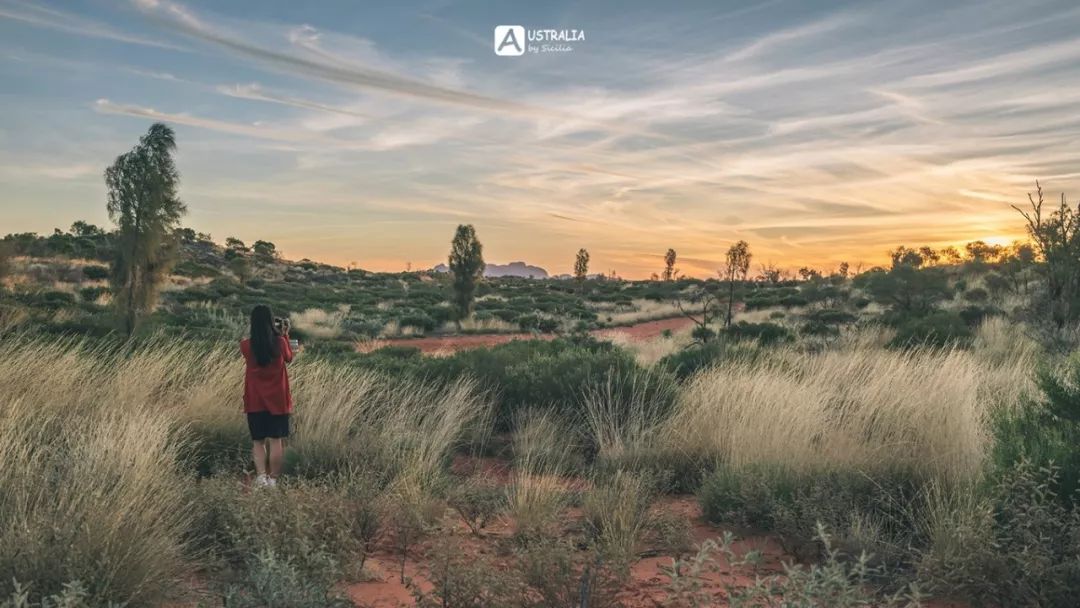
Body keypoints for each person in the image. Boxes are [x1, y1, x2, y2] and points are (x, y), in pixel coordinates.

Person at [240, 305, 294, 487]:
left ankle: (261, 476)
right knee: (276, 440)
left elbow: (254, 349)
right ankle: (273, 480)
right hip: (278, 401)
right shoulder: (280, 343)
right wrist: (284, 334)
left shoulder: (246, 345)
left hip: (255, 400)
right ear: (272, 322)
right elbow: (289, 358)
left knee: (258, 442)